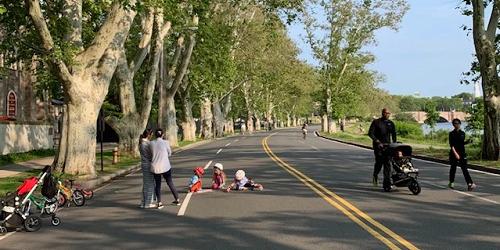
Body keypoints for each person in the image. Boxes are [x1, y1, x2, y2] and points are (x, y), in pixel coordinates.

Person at [150, 128, 180, 208]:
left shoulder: (151, 143)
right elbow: (169, 153)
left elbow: (151, 154)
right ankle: (177, 199)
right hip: (165, 166)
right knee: (170, 182)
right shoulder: (166, 142)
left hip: (156, 167)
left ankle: (159, 202)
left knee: (158, 184)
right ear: (162, 135)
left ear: (155, 135)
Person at [368, 108, 397, 191]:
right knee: (379, 163)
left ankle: (386, 184)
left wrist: (395, 143)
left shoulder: (390, 123)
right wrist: (377, 142)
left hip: (388, 146)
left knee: (387, 164)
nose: (388, 115)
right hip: (378, 147)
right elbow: (370, 133)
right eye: (386, 113)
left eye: (389, 113)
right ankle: (375, 175)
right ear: (383, 113)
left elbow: (394, 134)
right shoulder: (376, 122)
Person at [448, 119, 476, 191]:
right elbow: (452, 146)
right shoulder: (451, 134)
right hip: (454, 153)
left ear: (460, 124)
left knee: (464, 169)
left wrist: (468, 142)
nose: (456, 125)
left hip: (462, 153)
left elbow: (461, 143)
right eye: (454, 123)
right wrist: (456, 154)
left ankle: (470, 184)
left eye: (457, 123)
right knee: (453, 169)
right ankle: (451, 182)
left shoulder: (462, 133)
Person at [139, 129, 157, 209]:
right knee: (150, 184)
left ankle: (143, 202)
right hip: (148, 164)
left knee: (146, 184)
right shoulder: (146, 144)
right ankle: (148, 203)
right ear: (149, 135)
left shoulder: (142, 143)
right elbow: (151, 155)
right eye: (151, 135)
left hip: (144, 164)